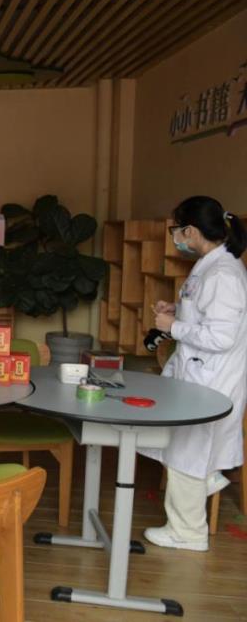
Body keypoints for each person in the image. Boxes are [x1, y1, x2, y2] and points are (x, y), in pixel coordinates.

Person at [141, 196, 247, 551]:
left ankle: (188, 532)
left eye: (177, 230)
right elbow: (207, 313)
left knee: (188, 452)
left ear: (190, 230)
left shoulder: (223, 275)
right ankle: (207, 480)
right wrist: (177, 310)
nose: (176, 238)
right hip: (199, 374)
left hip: (212, 379)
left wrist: (173, 327)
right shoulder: (211, 265)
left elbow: (221, 336)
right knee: (186, 448)